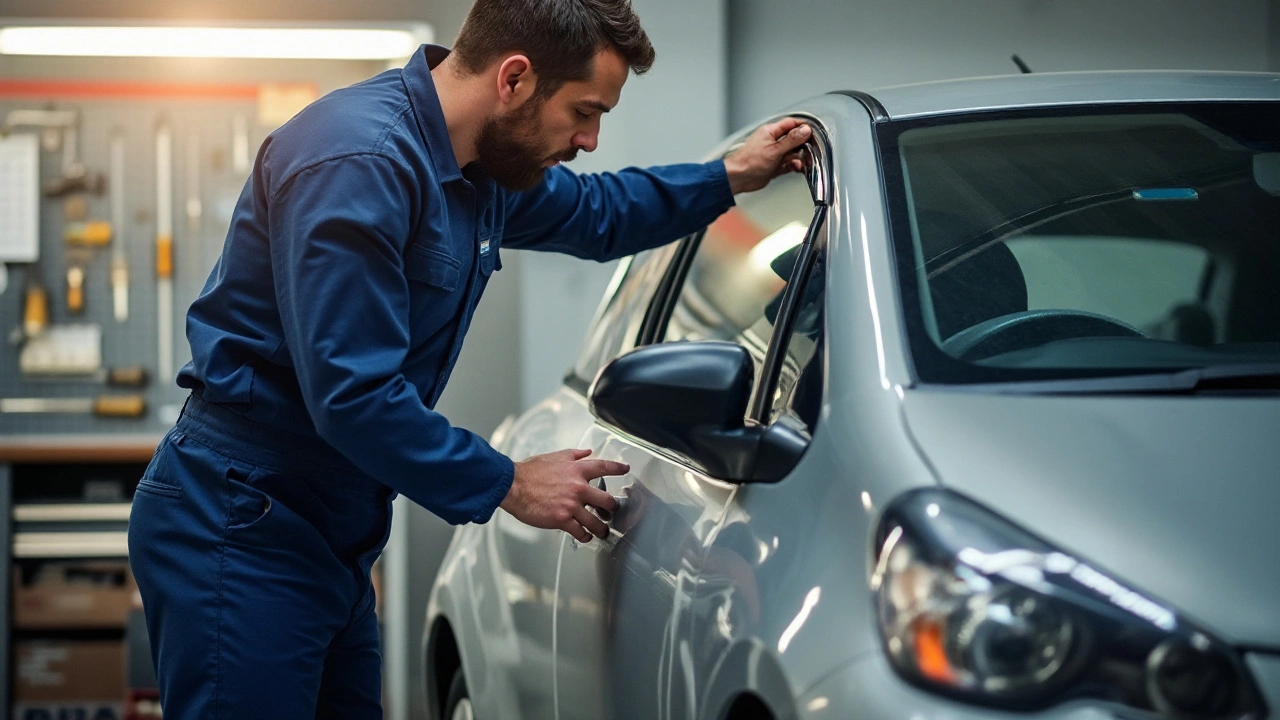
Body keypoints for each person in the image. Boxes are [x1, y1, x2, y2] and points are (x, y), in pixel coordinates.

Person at [126, 0, 812, 716]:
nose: (589, 138)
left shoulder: (481, 170)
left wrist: (730, 176)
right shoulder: (359, 161)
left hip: (326, 526)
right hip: (242, 520)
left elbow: (598, 213)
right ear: (514, 79)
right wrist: (510, 482)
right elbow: (353, 396)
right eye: (583, 110)